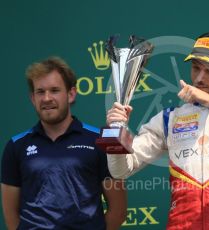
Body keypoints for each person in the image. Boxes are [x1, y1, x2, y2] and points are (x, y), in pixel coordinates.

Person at [106, 31, 209, 229]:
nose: (200, 77)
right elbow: (121, 171)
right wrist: (116, 132)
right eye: (196, 68)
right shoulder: (169, 118)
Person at [1, 57, 127, 230]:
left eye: (54, 90)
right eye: (40, 91)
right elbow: (11, 217)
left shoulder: (100, 140)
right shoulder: (16, 146)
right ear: (32, 98)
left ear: (71, 94)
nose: (47, 98)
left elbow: (118, 211)